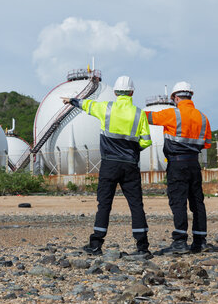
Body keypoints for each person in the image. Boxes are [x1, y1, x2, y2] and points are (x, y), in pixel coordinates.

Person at [62, 75, 152, 256]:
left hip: (109, 165)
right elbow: (146, 141)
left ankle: (96, 245)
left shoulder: (106, 109)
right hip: (130, 165)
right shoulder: (139, 114)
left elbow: (87, 105)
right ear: (132, 92)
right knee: (136, 205)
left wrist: (71, 100)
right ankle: (142, 247)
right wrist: (133, 150)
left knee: (104, 204)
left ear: (115, 92)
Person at [145, 81, 212, 254]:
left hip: (177, 163)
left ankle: (180, 242)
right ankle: (200, 241)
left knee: (178, 202)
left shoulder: (172, 114)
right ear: (191, 96)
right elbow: (207, 144)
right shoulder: (203, 117)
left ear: (175, 97)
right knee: (197, 202)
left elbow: (147, 117)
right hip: (194, 164)